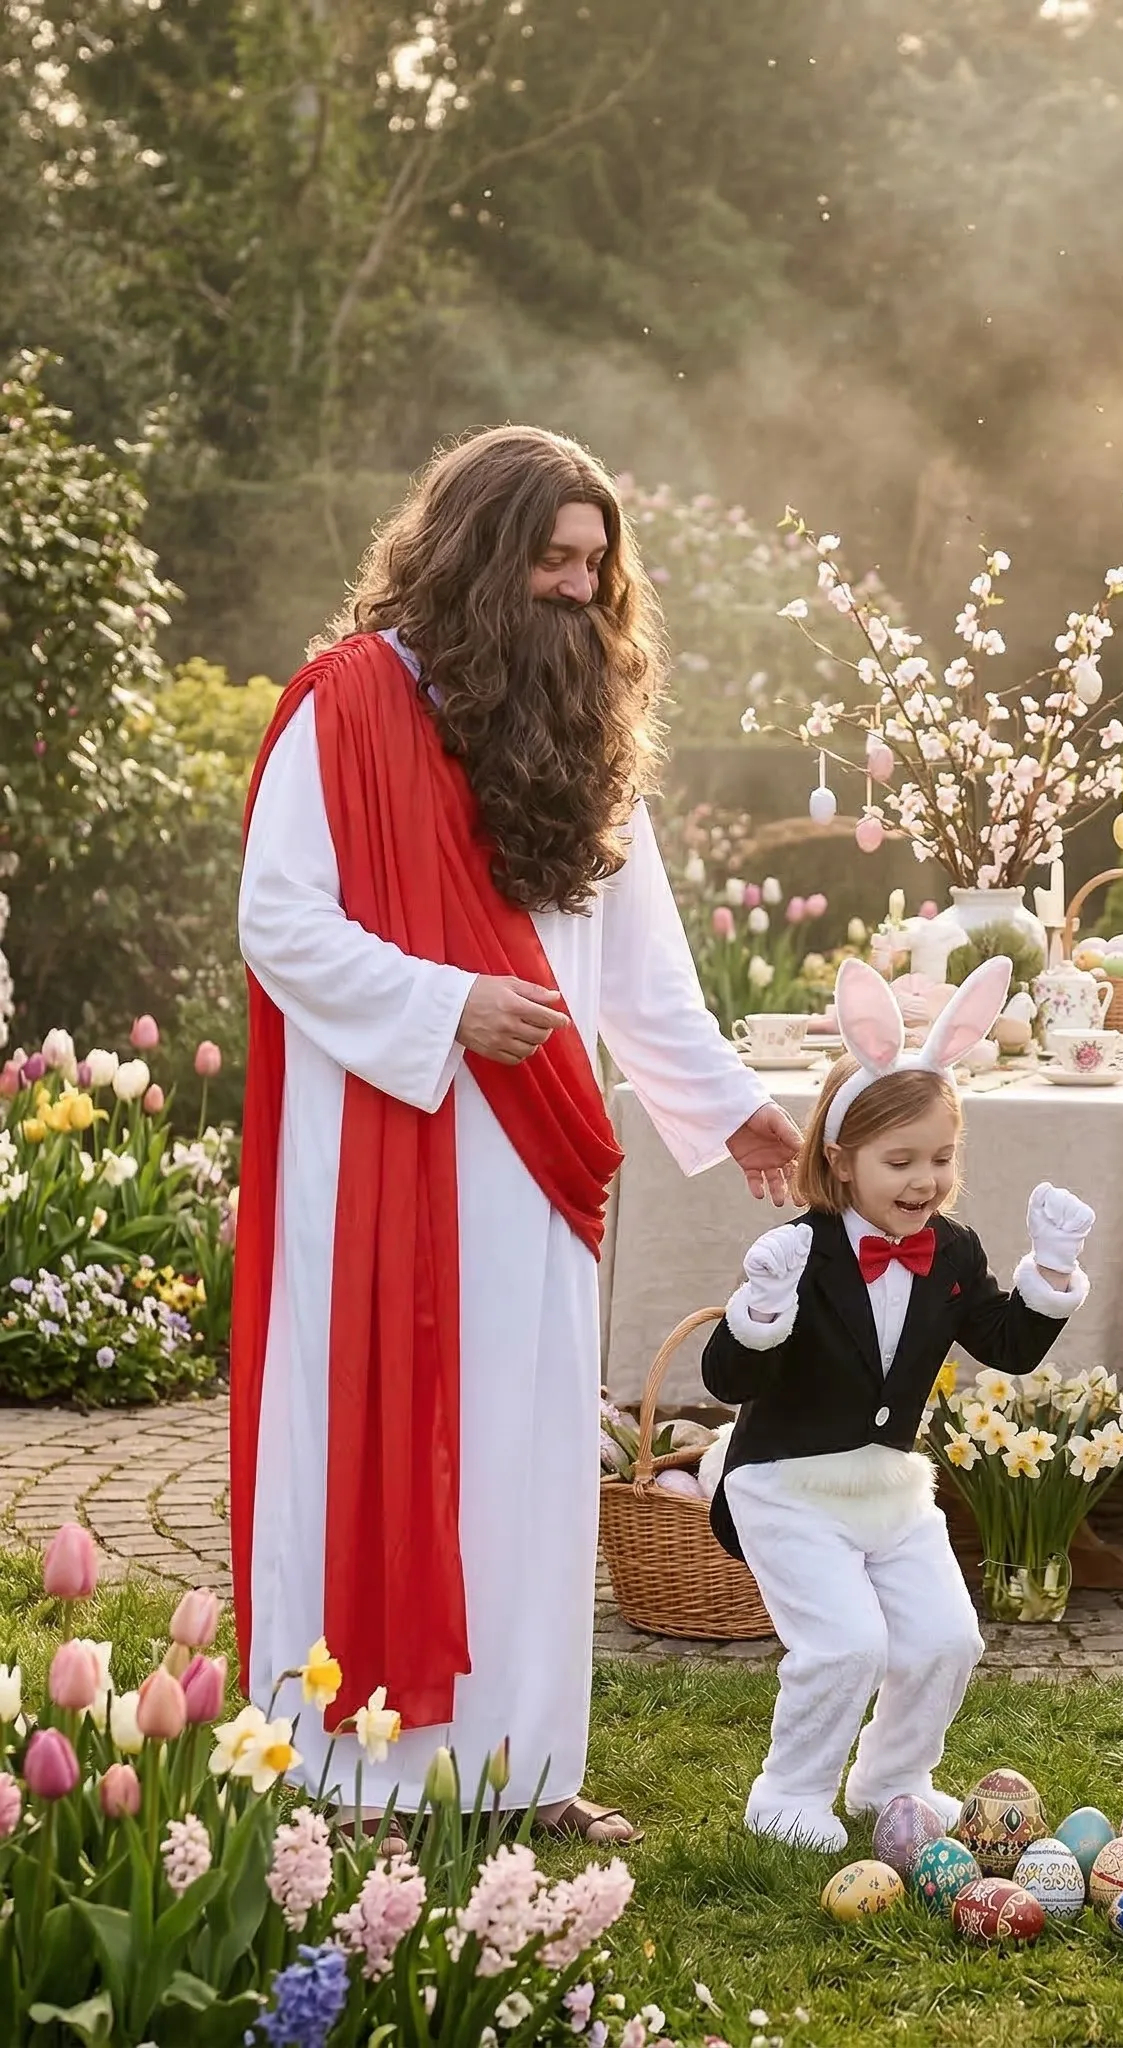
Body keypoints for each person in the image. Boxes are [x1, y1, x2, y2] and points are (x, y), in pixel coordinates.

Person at [232, 425, 802, 1843]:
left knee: (530, 1463)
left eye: (595, 564)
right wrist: (446, 1004)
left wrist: (734, 1107)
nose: (576, 589)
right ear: (475, 556)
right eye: (551, 559)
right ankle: (348, 1773)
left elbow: (648, 975)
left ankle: (523, 1767)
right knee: (368, 1450)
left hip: (534, 1164)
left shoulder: (588, 730)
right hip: (382, 1147)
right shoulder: (343, 707)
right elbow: (278, 920)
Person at [699, 957, 1095, 1851]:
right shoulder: (798, 1252)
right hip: (785, 1485)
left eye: (942, 1158)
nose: (925, 1180)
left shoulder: (951, 1250)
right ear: (840, 1161)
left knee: (946, 1640)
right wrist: (760, 1309)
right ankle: (788, 1793)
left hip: (889, 1489)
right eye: (901, 1161)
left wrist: (1052, 1270)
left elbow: (1006, 1344)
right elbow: (728, 1381)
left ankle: (892, 1781)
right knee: (847, 1646)